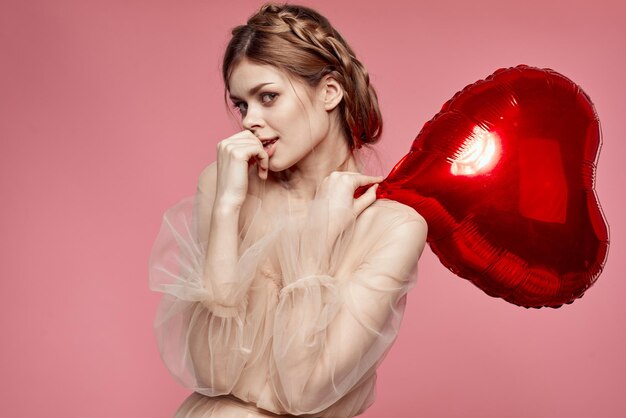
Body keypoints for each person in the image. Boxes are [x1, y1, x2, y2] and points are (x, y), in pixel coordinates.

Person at [149, 3, 427, 417]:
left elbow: (302, 393)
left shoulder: (394, 227)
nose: (249, 121)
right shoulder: (228, 185)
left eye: (268, 97)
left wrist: (315, 248)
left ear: (330, 92)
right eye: (242, 105)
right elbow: (212, 369)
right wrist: (226, 208)